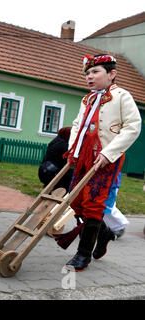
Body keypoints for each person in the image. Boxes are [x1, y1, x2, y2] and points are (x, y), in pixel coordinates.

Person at [62, 54, 141, 272]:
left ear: (112, 74)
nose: (89, 76)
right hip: (84, 155)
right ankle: (104, 232)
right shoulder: (87, 99)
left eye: (95, 72)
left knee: (94, 203)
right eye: (87, 73)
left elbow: (133, 126)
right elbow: (78, 124)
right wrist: (73, 149)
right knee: (76, 201)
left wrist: (109, 153)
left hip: (107, 158)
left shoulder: (122, 96)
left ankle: (83, 254)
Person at [38, 126, 73, 192]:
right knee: (73, 174)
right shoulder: (63, 145)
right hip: (52, 173)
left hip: (44, 171)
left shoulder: (55, 141)